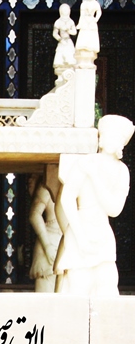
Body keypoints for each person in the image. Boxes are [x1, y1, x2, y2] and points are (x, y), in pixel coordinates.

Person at [54, 114, 134, 296]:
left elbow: (114, 210)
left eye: (115, 136)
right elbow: (67, 198)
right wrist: (80, 236)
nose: (108, 139)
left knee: (107, 285)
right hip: (80, 229)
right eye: (107, 134)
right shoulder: (85, 163)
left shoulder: (122, 171)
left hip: (103, 233)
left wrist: (95, 177)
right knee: (79, 286)